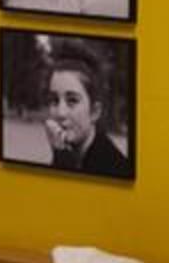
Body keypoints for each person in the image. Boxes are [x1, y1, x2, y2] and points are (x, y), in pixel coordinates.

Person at [42, 46, 128, 175]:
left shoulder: (115, 169)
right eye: (54, 100)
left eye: (72, 101)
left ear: (94, 112)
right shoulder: (67, 153)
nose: (60, 113)